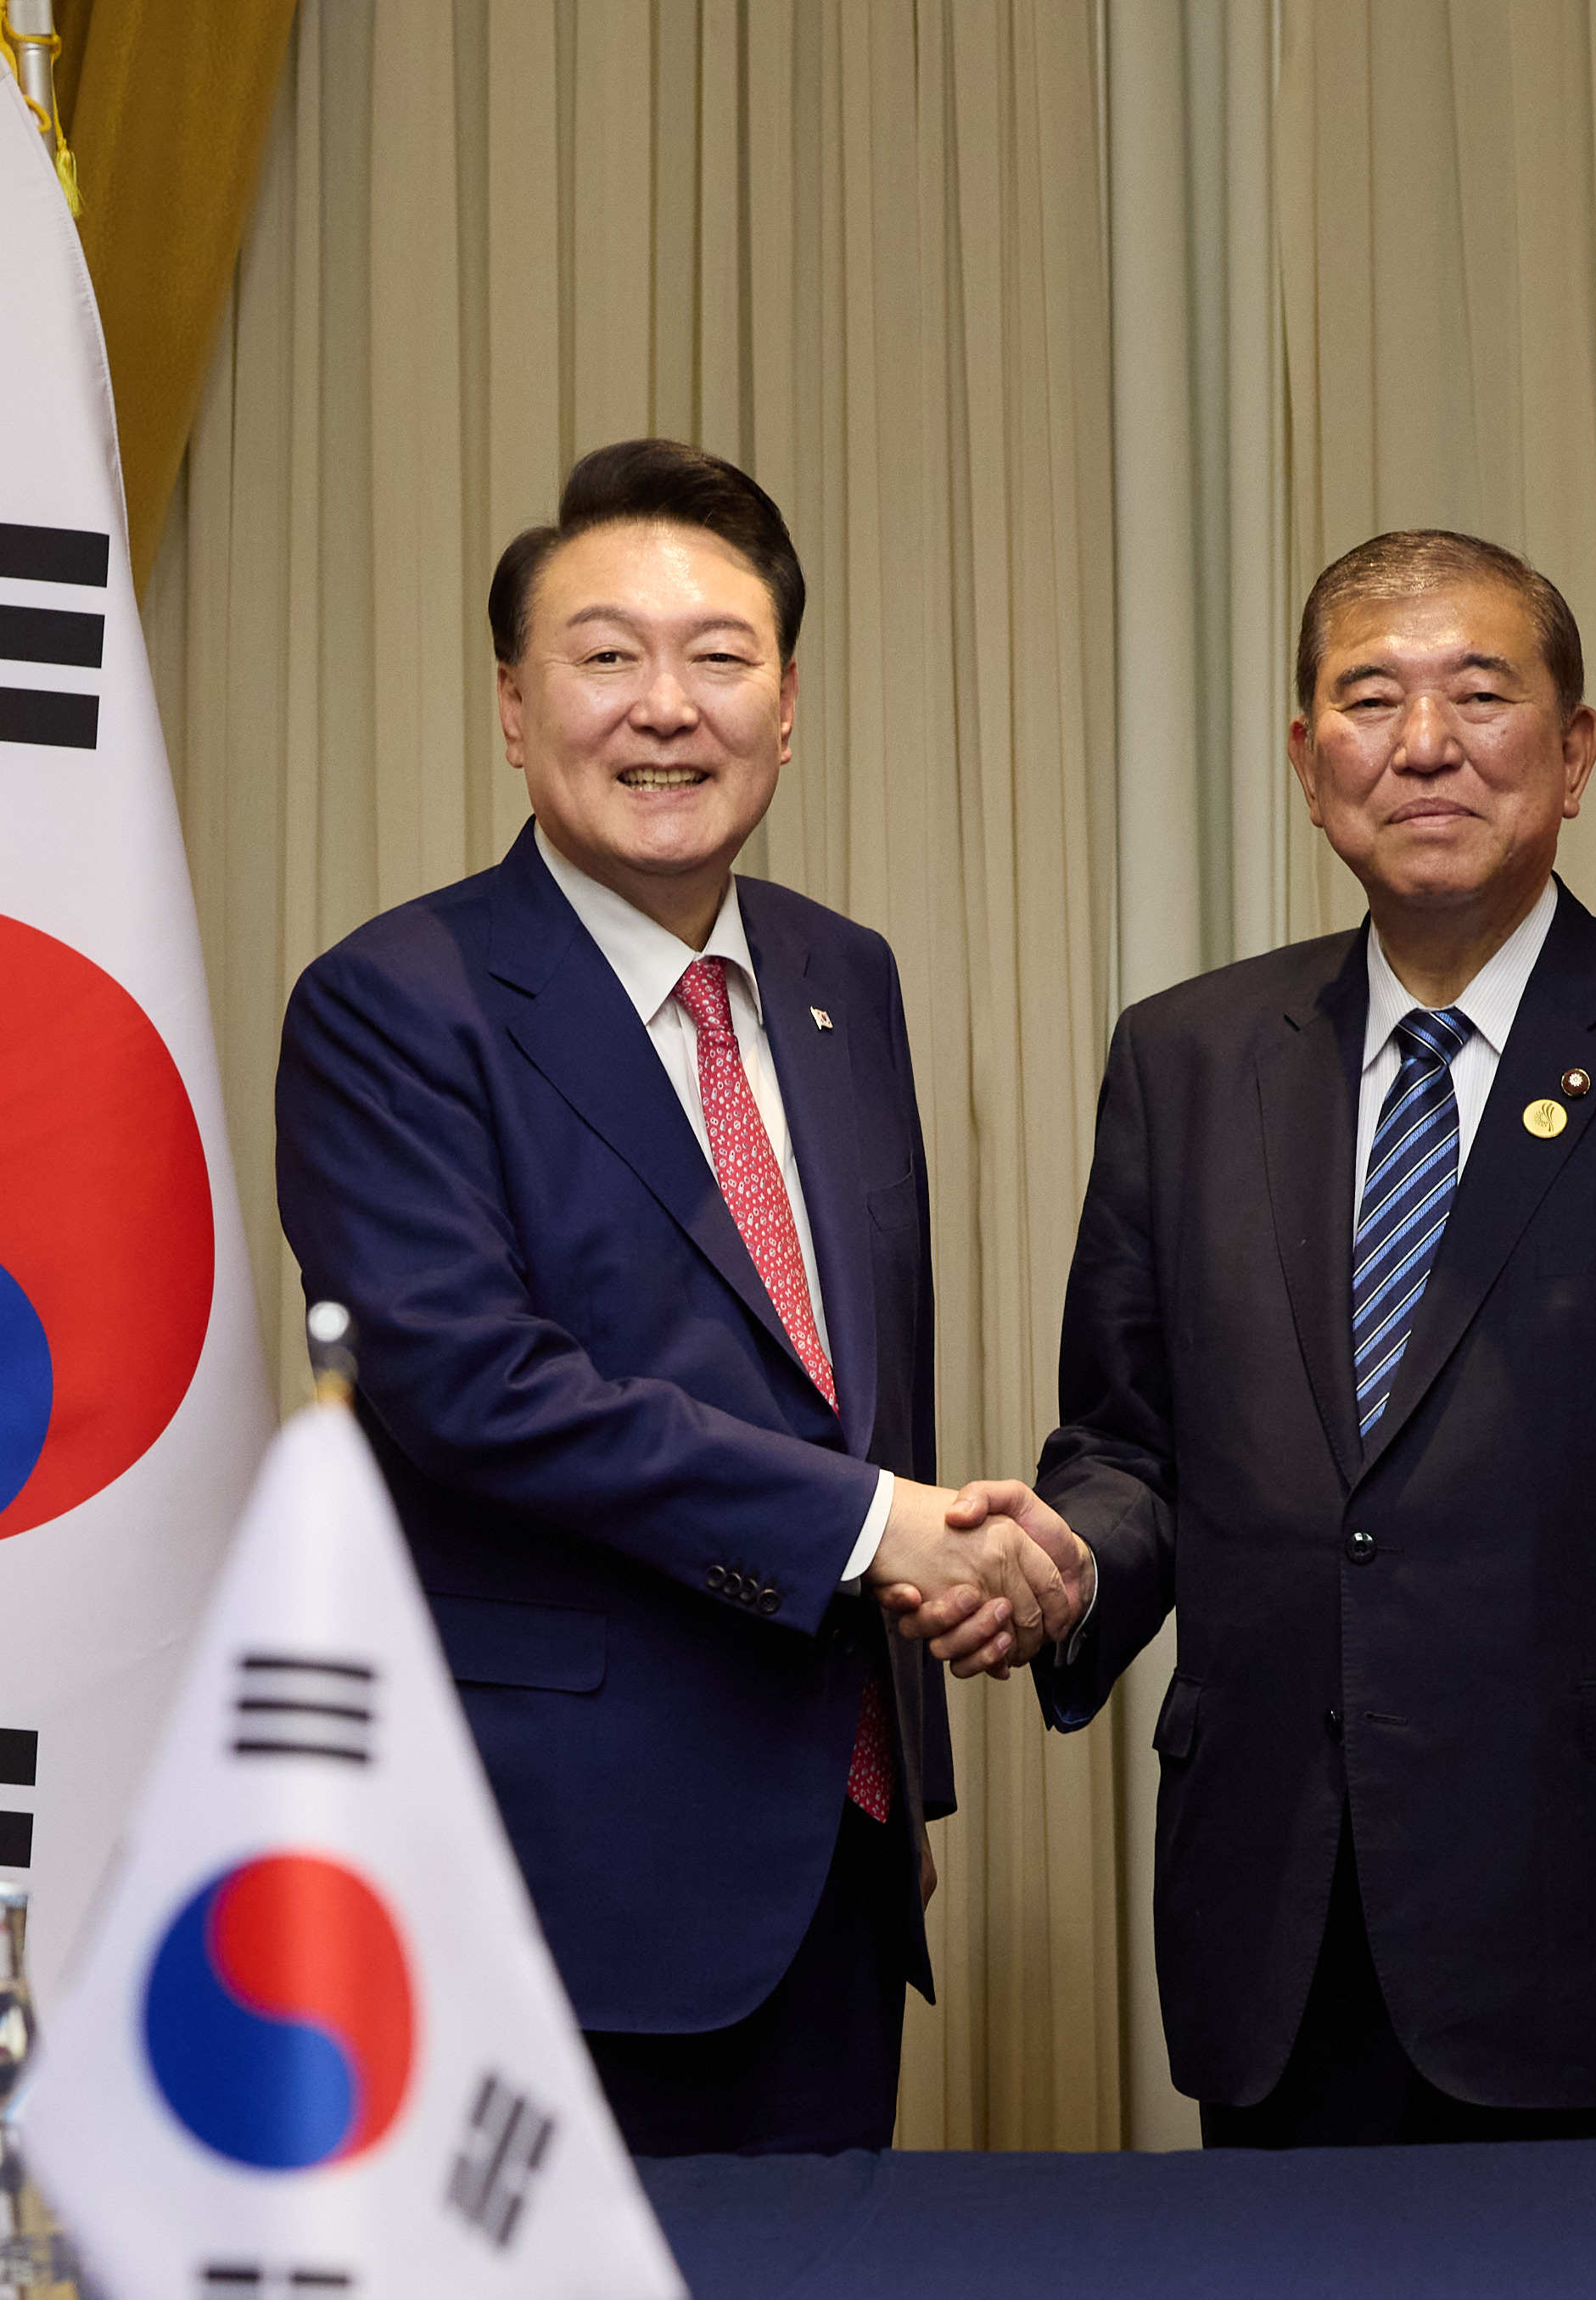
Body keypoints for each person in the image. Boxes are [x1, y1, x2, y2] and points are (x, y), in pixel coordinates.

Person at [905, 529, 1596, 2145]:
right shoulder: (1188, 1058)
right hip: (1281, 1945)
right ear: (1311, 767)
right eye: (1369, 700)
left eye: (1479, 694)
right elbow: (1127, 1443)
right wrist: (1073, 1564)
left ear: (1573, 752)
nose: (1425, 744)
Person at [277, 439, 1072, 2156]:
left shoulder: (841, 978)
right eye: (607, 656)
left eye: (720, 658)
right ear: (511, 704)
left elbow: (856, 1387)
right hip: (559, 1879)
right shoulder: (392, 1005)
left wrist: (894, 1759)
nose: (667, 708)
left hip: (835, 1865)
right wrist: (884, 1531)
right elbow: (475, 1387)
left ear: (787, 708)